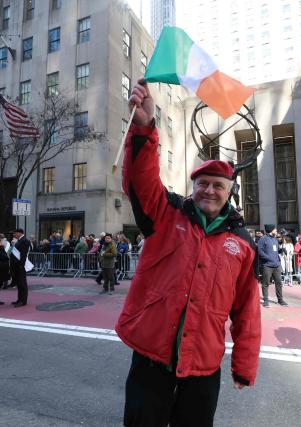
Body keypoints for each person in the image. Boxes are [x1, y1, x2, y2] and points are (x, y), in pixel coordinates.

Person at [116, 79, 261, 427]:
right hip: (151, 360)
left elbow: (246, 309)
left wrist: (243, 364)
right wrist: (144, 127)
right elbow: (141, 180)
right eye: (202, 184)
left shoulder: (242, 244)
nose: (209, 190)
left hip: (203, 367)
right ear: (193, 187)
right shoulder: (167, 214)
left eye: (218, 186)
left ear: (229, 193)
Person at [258, 224, 288, 307]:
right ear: (271, 230)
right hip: (267, 265)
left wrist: (281, 250)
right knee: (265, 283)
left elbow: (276, 250)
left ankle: (280, 300)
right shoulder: (263, 239)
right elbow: (260, 251)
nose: (276, 230)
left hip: (277, 265)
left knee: (279, 283)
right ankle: (266, 300)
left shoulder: (275, 240)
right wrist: (268, 258)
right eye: (275, 229)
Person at [9, 228, 31, 307]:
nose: (14, 235)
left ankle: (23, 301)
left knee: (22, 284)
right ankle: (19, 299)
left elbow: (23, 254)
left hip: (20, 266)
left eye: (15, 233)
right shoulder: (20, 240)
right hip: (17, 266)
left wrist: (21, 265)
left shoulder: (24, 240)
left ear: (19, 233)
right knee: (19, 283)